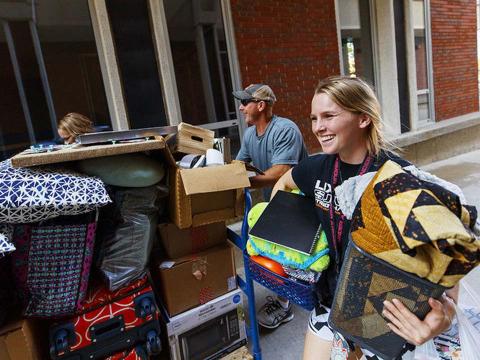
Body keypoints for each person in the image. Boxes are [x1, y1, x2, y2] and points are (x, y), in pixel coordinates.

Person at [271, 76, 456, 359]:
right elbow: (283, 184)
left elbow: (448, 248)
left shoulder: (397, 177)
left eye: (329, 116)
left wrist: (445, 312)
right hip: (330, 305)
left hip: (384, 318)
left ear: (363, 119)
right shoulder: (315, 168)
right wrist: (290, 234)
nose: (318, 127)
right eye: (314, 118)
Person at [233, 83, 308, 329]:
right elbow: (239, 164)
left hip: (298, 200)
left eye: (246, 102)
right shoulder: (249, 135)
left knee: (291, 254)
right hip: (273, 200)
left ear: (261, 105)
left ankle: (286, 305)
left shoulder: (285, 129)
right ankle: (286, 296)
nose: (241, 108)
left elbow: (280, 172)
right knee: (272, 252)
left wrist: (243, 180)